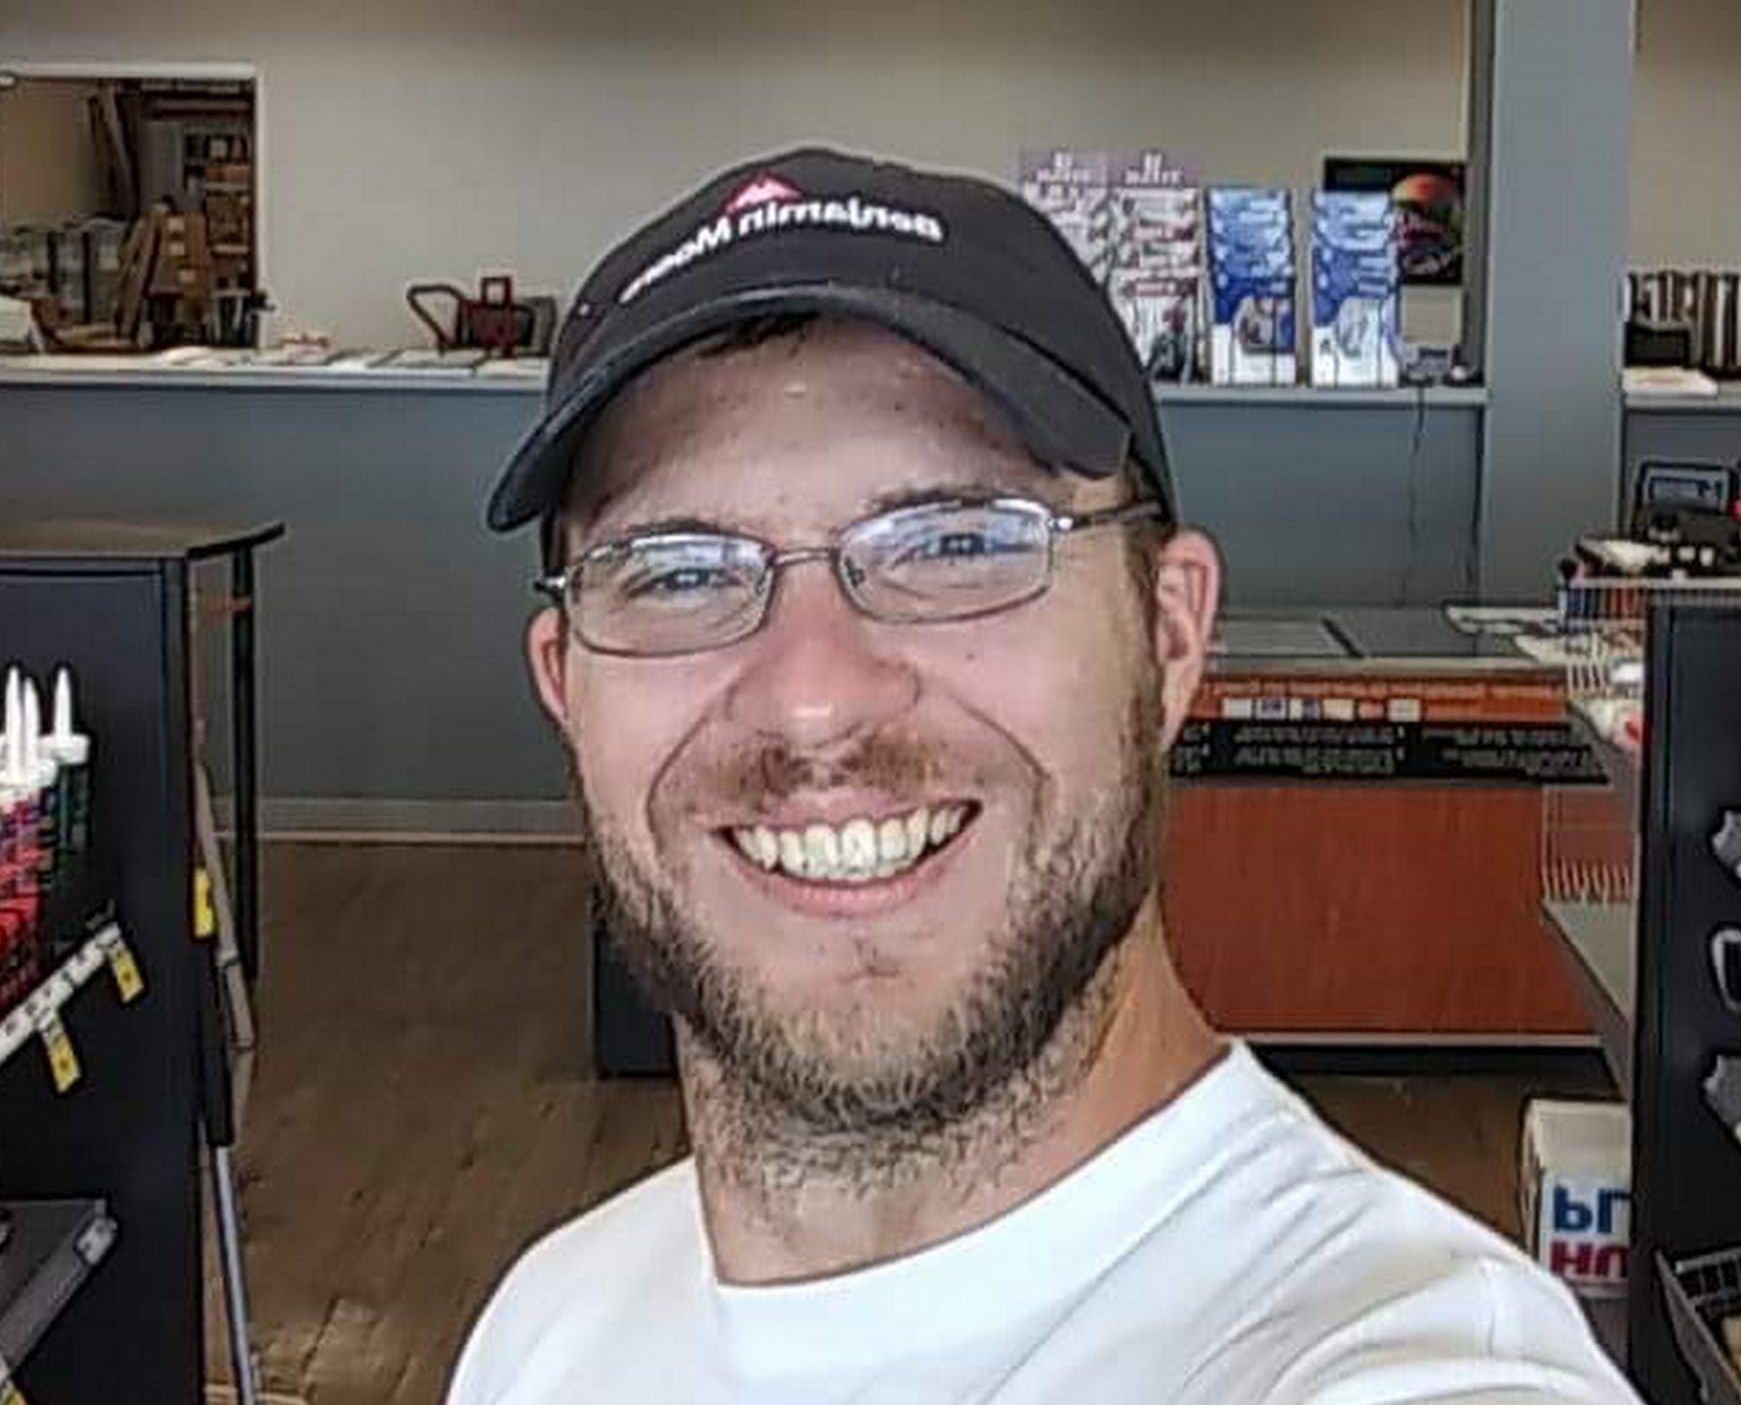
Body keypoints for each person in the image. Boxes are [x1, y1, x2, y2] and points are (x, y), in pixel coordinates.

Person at [452, 147, 1636, 1405]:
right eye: (681, 570)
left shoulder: (1398, 1364)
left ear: (1168, 638)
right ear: (564, 684)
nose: (812, 696)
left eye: (957, 541)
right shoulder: (555, 1322)